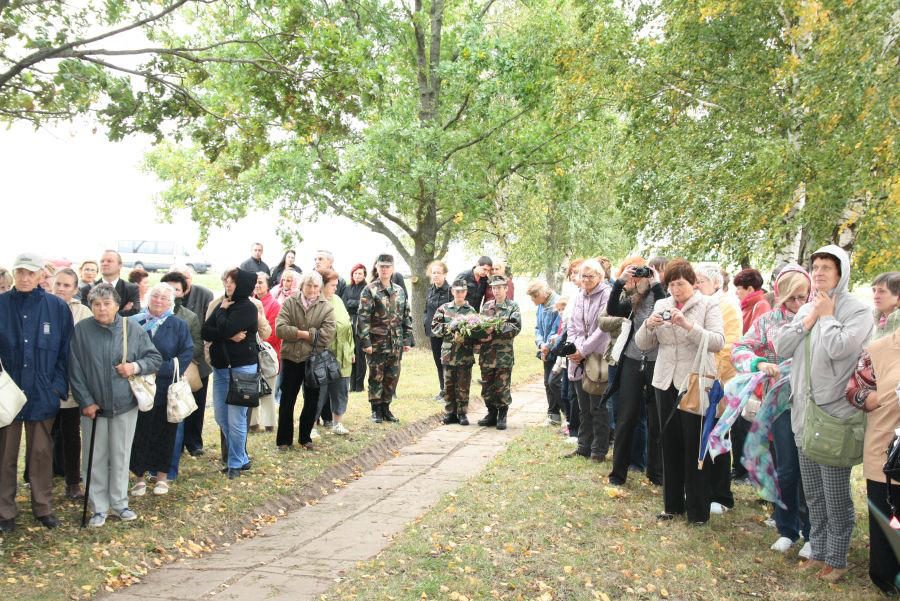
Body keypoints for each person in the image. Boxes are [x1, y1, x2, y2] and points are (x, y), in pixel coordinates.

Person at [775, 245, 874, 581]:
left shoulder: (858, 311)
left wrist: (828, 315)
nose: (818, 273)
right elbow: (781, 347)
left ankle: (838, 558)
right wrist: (810, 317)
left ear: (841, 272)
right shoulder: (808, 306)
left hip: (833, 416)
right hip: (803, 411)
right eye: (815, 267)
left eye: (826, 268)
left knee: (835, 495)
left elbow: (840, 348)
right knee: (813, 491)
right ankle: (818, 551)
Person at [726, 264, 813, 556]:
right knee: (786, 468)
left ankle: (815, 533)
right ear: (780, 295)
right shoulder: (768, 321)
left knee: (811, 470)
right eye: (792, 298)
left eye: (803, 297)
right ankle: (787, 528)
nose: (798, 304)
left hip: (816, 405)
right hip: (780, 406)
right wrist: (758, 363)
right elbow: (738, 349)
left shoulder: (820, 317)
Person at [634, 258, 725, 525]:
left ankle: (698, 510)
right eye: (671, 284)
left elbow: (717, 341)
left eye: (681, 284)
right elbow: (643, 344)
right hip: (665, 381)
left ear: (693, 283)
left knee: (693, 446)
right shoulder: (662, 304)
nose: (676, 289)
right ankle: (672, 505)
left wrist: (688, 325)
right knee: (669, 443)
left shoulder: (708, 304)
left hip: (695, 382)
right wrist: (649, 325)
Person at [69, 283, 162, 527]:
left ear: (117, 305)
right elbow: (75, 369)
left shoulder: (131, 327)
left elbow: (154, 358)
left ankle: (120, 503)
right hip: (93, 408)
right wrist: (86, 401)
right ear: (90, 306)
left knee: (121, 454)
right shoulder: (82, 330)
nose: (101, 309)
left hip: (124, 403)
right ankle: (98, 506)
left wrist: (134, 367)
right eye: (96, 304)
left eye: (106, 304)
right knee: (95, 456)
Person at [0, 253, 74, 531]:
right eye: (20, 272)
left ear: (41, 275)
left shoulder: (56, 307)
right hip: (8, 393)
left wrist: (56, 386)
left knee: (41, 454)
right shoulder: (1, 304)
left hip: (43, 391)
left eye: (30, 273)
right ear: (14, 273)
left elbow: (66, 352)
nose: (25, 278)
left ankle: (42, 507)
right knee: (4, 454)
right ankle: (5, 511)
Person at [846, 293, 900, 594]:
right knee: (888, 515)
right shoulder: (878, 349)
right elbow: (854, 390)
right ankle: (885, 575)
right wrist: (880, 398)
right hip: (886, 449)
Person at [605, 257, 666, 486]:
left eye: (649, 273)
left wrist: (656, 284)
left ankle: (656, 472)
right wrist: (619, 283)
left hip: (656, 362)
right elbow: (613, 309)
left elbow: (665, 310)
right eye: (643, 273)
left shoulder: (665, 296)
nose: (644, 277)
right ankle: (617, 474)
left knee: (655, 418)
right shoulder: (636, 298)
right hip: (632, 359)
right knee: (626, 416)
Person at [129, 283, 193, 496]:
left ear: (171, 303)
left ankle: (162, 476)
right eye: (155, 296)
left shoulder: (178, 325)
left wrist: (159, 370)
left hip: (165, 388)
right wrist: (142, 370)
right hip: (139, 387)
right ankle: (138, 477)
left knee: (166, 433)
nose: (158, 301)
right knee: (140, 432)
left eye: (164, 299)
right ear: (148, 298)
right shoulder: (134, 323)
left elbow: (186, 354)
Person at [201, 269, 260, 478]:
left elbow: (222, 329)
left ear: (242, 284)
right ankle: (242, 457)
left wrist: (223, 319)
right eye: (226, 280)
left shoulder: (248, 308)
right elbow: (205, 331)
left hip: (243, 367)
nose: (228, 285)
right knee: (221, 416)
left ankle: (235, 463)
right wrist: (226, 332)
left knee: (237, 419)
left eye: (232, 282)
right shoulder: (222, 305)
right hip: (220, 368)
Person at [693, 263, 742, 516]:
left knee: (718, 436)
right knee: (701, 433)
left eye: (700, 280)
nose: (696, 284)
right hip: (697, 381)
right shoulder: (699, 303)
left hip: (719, 383)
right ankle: (701, 487)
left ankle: (721, 494)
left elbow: (728, 345)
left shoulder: (727, 306)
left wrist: (713, 379)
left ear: (715, 283)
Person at [275, 271, 335, 449]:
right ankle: (284, 441)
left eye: (316, 286)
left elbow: (327, 335)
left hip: (314, 360)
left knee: (312, 401)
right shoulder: (290, 302)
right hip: (291, 358)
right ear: (302, 286)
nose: (312, 289)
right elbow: (279, 329)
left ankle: (305, 438)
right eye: (309, 285)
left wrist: (303, 335)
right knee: (287, 400)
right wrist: (303, 334)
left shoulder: (326, 306)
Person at [158, 271, 203, 482]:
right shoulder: (148, 315)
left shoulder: (189, 317)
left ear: (183, 292)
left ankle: (169, 470)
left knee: (175, 424)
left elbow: (197, 346)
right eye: (167, 288)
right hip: (152, 378)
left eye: (176, 288)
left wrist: (177, 361)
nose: (171, 292)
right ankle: (150, 468)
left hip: (178, 376)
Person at [564, 259, 612, 462]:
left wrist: (583, 350)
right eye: (583, 276)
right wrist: (574, 348)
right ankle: (583, 446)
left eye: (590, 276)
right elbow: (572, 325)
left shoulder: (607, 294)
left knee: (597, 406)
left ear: (600, 277)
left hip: (597, 355)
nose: (585, 280)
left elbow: (602, 329)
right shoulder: (578, 296)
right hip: (578, 355)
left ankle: (598, 450)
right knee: (582, 406)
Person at [52, 268, 93, 499]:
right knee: (43, 435)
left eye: (67, 285)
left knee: (70, 433)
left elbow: (86, 348)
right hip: (45, 383)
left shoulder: (83, 312)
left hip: (71, 384)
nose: (61, 289)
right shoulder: (43, 306)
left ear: (75, 289)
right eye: (58, 284)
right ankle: (41, 478)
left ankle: (72, 482)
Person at [358, 254, 413, 423]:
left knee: (392, 375)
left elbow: (406, 316)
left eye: (388, 267)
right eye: (381, 266)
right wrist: (366, 342)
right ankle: (376, 409)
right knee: (376, 375)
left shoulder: (400, 290)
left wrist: (407, 340)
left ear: (393, 269)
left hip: (395, 342)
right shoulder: (370, 290)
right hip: (376, 342)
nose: (384, 270)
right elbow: (363, 317)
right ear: (377, 268)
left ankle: (386, 407)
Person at [171, 265, 214, 457]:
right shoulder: (164, 299)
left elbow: (206, 326)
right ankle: (176, 445)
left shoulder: (204, 294)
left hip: (198, 362)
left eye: (186, 277)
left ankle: (194, 443)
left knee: (197, 404)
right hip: (173, 365)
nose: (184, 280)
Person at [477, 275, 522, 430]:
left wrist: (495, 328)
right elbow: (479, 327)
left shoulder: (512, 307)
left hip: (504, 355)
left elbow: (515, 328)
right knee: (487, 386)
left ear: (506, 289)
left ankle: (502, 414)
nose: (496, 291)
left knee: (502, 386)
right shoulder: (486, 306)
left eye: (499, 288)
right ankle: (491, 413)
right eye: (493, 288)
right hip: (487, 355)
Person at [431, 279, 477, 425]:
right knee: (449, 384)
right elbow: (435, 328)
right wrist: (450, 328)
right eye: (457, 291)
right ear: (452, 292)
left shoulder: (471, 311)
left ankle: (462, 413)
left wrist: (466, 334)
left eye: (462, 291)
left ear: (466, 292)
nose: (459, 294)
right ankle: (450, 412)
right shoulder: (444, 309)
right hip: (448, 353)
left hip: (465, 353)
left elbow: (476, 331)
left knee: (463, 384)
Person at [319, 269, 354, 435]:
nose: (335, 288)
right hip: (324, 355)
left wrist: (351, 350)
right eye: (332, 285)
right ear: (322, 285)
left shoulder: (338, 300)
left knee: (341, 389)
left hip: (343, 353)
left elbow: (348, 327)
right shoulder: (317, 302)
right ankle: (311, 426)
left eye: (336, 285)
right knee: (319, 392)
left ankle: (337, 423)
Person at [528, 280, 562, 426]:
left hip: (556, 349)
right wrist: (541, 343)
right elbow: (537, 328)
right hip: (545, 350)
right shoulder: (541, 306)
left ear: (540, 294)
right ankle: (553, 414)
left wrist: (547, 345)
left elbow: (557, 329)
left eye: (533, 297)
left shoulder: (557, 304)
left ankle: (568, 413)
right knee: (547, 383)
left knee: (554, 382)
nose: (532, 301)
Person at [252, 272, 280, 433]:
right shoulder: (250, 302)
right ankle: (253, 422)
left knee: (268, 389)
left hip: (267, 352)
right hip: (251, 352)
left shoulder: (274, 305)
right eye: (255, 282)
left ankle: (269, 423)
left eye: (261, 282)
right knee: (251, 387)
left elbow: (274, 333)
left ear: (268, 285)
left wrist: (260, 343)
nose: (257, 285)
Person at [80, 250, 141, 316]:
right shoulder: (87, 290)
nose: (104, 263)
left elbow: (134, 311)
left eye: (109, 261)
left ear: (120, 265)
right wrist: (122, 311)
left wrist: (100, 314)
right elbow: (87, 314)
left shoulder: (131, 289)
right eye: (102, 261)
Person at [424, 261, 452, 401]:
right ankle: (442, 390)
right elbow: (426, 310)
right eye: (433, 273)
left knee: (446, 362)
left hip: (446, 334)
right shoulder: (430, 290)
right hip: (433, 332)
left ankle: (449, 391)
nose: (435, 275)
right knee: (438, 362)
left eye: (438, 273)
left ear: (445, 274)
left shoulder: (450, 290)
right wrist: (426, 321)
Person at [341, 264, 368, 393]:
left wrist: (353, 303)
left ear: (364, 275)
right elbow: (344, 304)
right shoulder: (347, 288)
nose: (357, 276)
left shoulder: (367, 289)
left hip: (361, 324)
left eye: (360, 274)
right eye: (355, 273)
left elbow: (364, 305)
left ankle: (359, 384)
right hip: (348, 323)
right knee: (350, 353)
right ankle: (351, 385)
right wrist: (354, 302)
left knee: (360, 354)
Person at [734, 268, 772, 334]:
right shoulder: (746, 306)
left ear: (750, 289)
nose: (736, 293)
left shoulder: (761, 306)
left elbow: (758, 336)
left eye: (738, 289)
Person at [872, 271, 900, 339]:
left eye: (882, 291)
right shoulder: (879, 320)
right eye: (874, 290)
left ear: (898, 295)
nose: (875, 296)